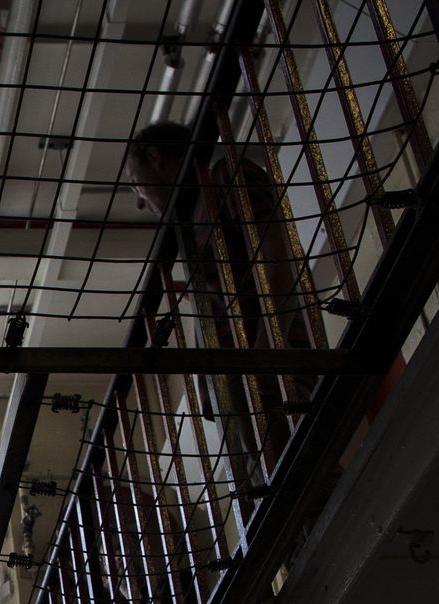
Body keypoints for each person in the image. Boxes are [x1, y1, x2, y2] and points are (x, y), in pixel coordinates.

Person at [124, 119, 327, 473]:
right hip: (248, 385)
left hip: (267, 374)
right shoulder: (194, 224)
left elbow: (280, 263)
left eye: (134, 184)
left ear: (155, 156)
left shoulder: (225, 178)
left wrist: (265, 358)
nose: (140, 203)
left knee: (299, 476)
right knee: (281, 477)